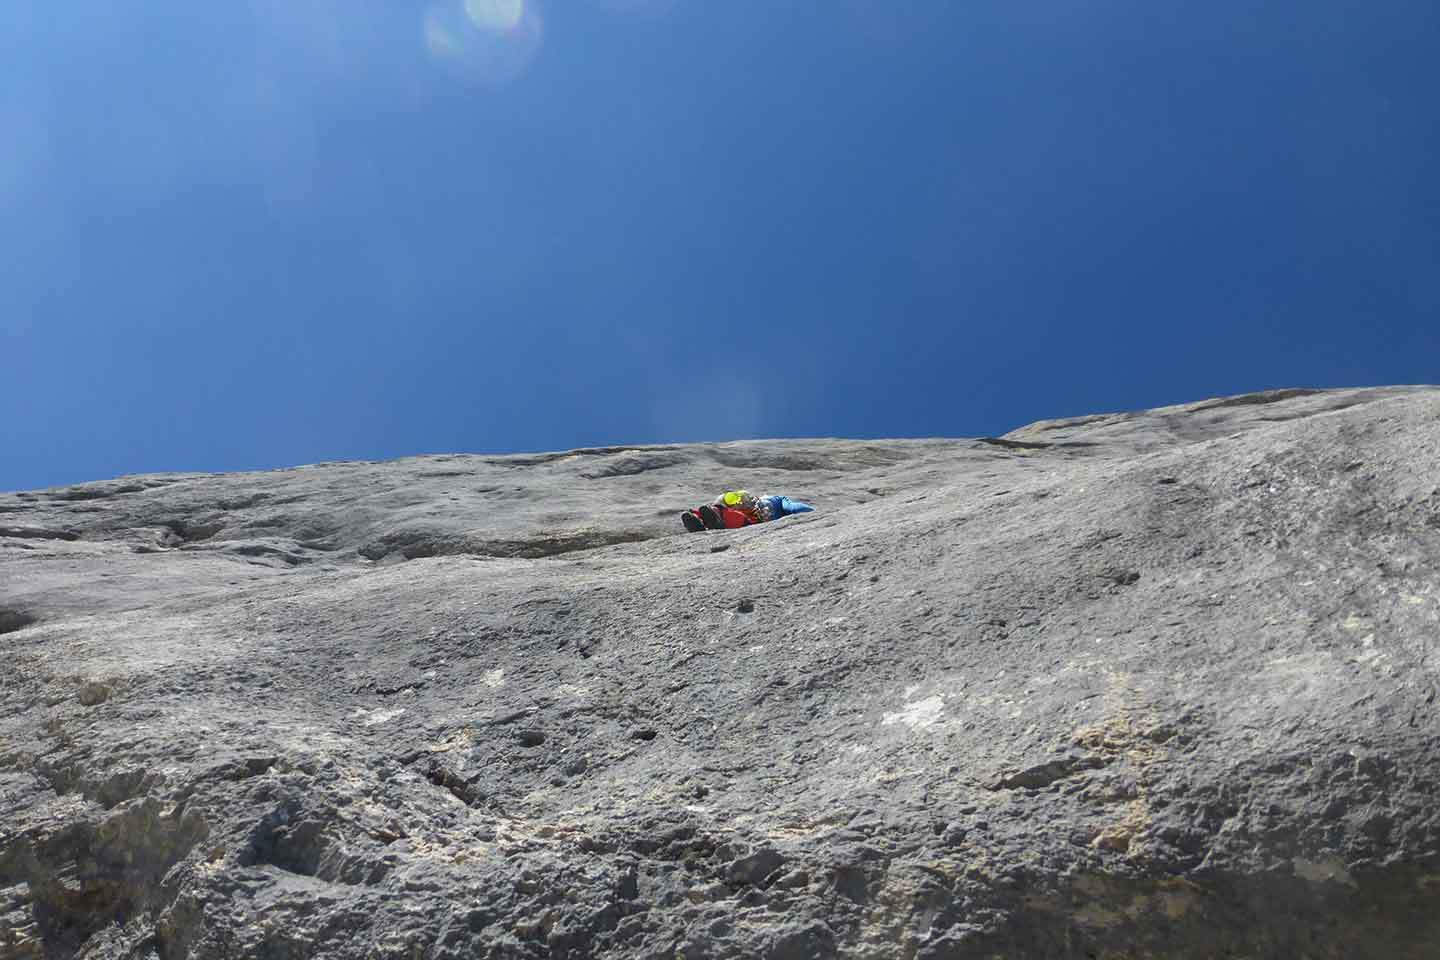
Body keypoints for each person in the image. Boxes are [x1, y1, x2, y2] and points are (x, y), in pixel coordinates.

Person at [679, 489, 814, 532]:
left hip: (775, 506)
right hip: (751, 524)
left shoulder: (764, 501)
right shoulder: (737, 512)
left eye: (732, 498)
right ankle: (699, 520)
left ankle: (715, 522)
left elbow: (795, 508)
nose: (736, 502)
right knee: (720, 513)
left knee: (792, 508)